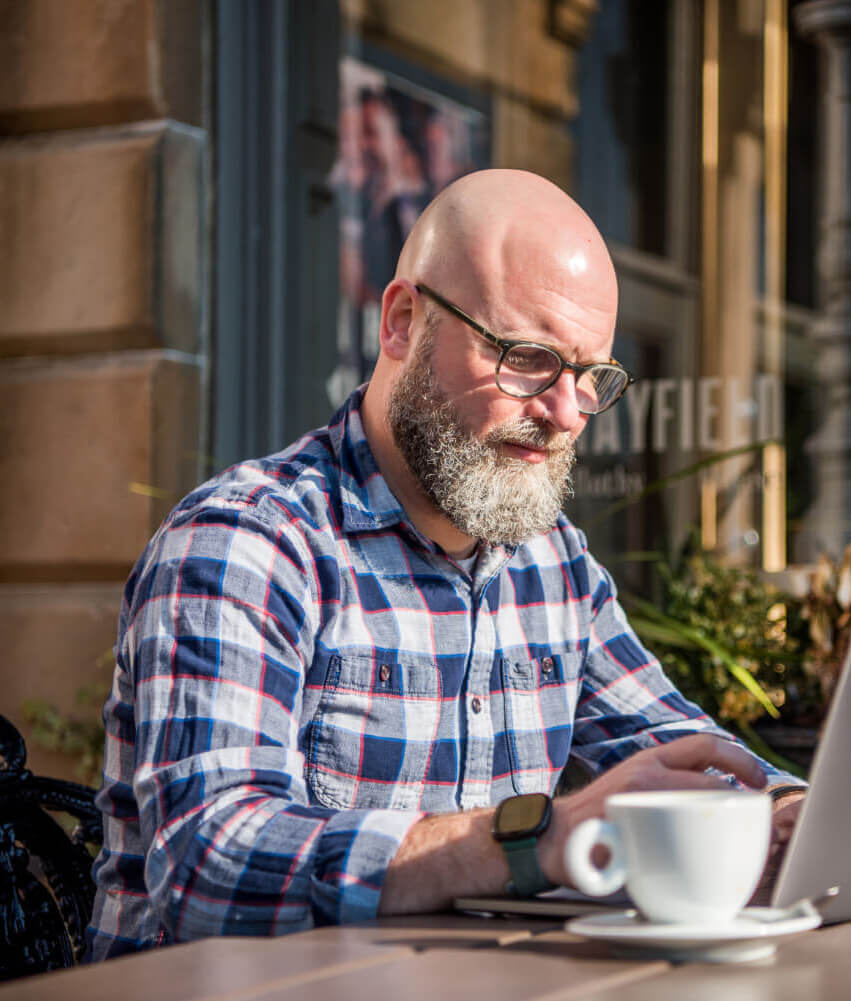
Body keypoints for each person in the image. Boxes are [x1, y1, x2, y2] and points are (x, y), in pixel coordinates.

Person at [86, 169, 806, 961]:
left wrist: (792, 810)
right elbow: (208, 864)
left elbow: (677, 744)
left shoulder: (550, 561)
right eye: (528, 357)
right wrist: (534, 839)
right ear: (402, 322)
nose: (566, 414)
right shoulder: (249, 542)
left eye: (591, 376)